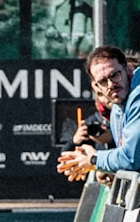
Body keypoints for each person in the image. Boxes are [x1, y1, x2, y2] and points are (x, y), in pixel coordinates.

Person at [58, 46, 138, 183]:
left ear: (129, 70)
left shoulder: (137, 96)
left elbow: (131, 158)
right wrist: (107, 169)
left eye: (115, 75)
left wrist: (94, 160)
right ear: (97, 87)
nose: (111, 84)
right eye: (103, 81)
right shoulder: (117, 107)